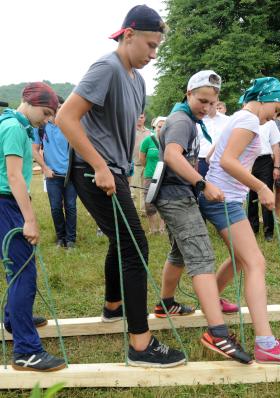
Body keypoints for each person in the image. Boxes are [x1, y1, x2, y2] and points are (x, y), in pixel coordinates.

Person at [56, 5, 185, 368]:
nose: (153, 54)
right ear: (128, 35)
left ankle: (114, 307)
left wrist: (119, 167)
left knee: (122, 241)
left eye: (157, 46)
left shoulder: (137, 80)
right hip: (92, 173)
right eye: (149, 44)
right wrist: (99, 165)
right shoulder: (107, 68)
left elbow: (118, 130)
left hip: (114, 172)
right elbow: (66, 117)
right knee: (136, 246)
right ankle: (140, 345)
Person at [198, 77, 280, 365]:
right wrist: (260, 187)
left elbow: (212, 155)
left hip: (223, 197)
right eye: (276, 105)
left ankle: (214, 297)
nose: (278, 111)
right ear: (262, 99)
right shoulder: (247, 120)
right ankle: (266, 344)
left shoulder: (239, 118)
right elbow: (227, 161)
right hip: (225, 202)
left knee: (240, 258)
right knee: (255, 262)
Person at [153, 70, 251, 365]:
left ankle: (165, 305)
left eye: (211, 103)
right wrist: (202, 183)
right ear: (188, 93)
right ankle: (217, 333)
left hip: (177, 194)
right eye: (201, 100)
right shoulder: (182, 120)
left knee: (180, 253)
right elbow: (172, 156)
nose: (206, 108)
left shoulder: (189, 120)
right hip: (176, 196)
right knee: (202, 257)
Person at [0, 82, 66, 371]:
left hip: (7, 202)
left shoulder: (13, 124)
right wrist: (29, 219)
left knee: (16, 268)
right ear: (29, 103)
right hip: (7, 203)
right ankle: (26, 351)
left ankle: (14, 319)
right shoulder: (14, 128)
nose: (48, 119)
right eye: (47, 112)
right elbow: (14, 177)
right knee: (24, 273)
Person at [32, 96, 78, 249]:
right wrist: (45, 168)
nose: (58, 109)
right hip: (52, 176)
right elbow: (34, 150)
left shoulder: (69, 125)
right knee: (55, 207)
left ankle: (71, 239)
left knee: (71, 206)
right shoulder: (40, 127)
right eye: (56, 106)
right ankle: (60, 238)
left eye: (61, 106)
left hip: (70, 174)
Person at [247, 119, 280, 241]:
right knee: (251, 197)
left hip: (265, 161)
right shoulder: (246, 120)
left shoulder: (270, 123)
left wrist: (277, 166)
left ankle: (268, 231)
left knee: (266, 195)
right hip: (249, 160)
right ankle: (252, 228)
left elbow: (275, 146)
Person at [139, 116, 165, 233]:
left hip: (165, 175)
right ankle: (153, 229)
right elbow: (142, 158)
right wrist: (149, 168)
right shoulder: (147, 141)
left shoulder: (169, 140)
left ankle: (162, 228)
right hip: (150, 174)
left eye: (164, 126)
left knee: (164, 201)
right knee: (149, 202)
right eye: (159, 126)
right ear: (154, 127)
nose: (161, 128)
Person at [197, 98, 229, 178]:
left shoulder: (227, 120)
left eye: (212, 102)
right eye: (206, 101)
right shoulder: (197, 120)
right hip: (201, 160)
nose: (209, 105)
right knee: (201, 188)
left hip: (221, 160)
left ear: (217, 101)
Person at [132, 112, 151, 210]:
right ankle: (133, 209)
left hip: (146, 163)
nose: (140, 119)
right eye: (138, 117)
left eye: (142, 117)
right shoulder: (131, 130)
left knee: (144, 188)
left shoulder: (149, 132)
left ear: (144, 118)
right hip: (134, 163)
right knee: (133, 188)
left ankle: (144, 209)